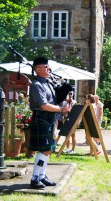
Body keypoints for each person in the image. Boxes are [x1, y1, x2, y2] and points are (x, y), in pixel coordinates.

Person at [29, 57, 71, 189]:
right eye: (45, 67)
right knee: (44, 150)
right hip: (42, 118)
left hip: (49, 119)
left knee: (48, 150)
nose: (48, 69)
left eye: (48, 66)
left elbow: (54, 101)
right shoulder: (36, 85)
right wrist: (61, 109)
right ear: (38, 69)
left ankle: (41, 176)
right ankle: (35, 178)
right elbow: (44, 105)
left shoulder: (47, 84)